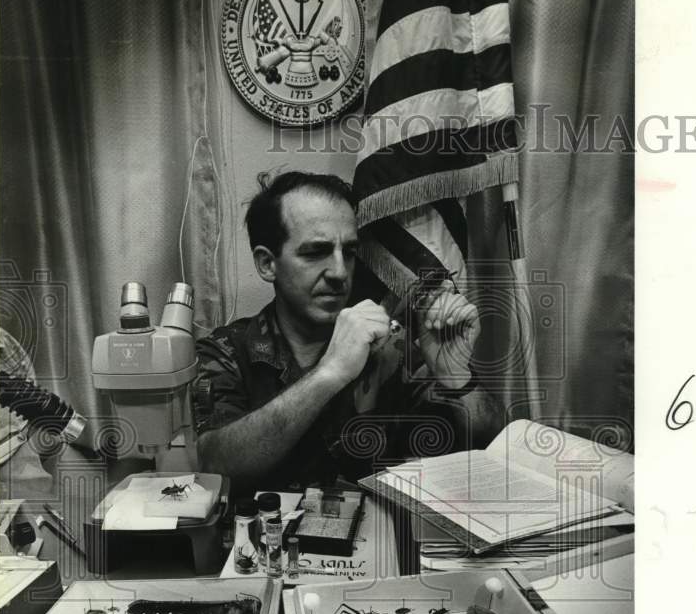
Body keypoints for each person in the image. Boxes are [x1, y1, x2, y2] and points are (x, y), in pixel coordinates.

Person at [194, 171, 496, 493]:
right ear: (268, 264)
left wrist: (457, 378)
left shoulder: (390, 350)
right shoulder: (226, 352)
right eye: (315, 252)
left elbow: (490, 447)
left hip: (374, 539)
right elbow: (215, 467)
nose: (340, 272)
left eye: (349, 252)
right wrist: (329, 373)